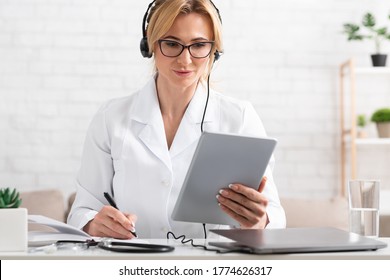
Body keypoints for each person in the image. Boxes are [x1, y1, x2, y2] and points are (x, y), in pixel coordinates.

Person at [67, 0, 286, 239]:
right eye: (171, 44)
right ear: (149, 45)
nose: (185, 60)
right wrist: (92, 223)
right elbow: (82, 210)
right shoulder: (111, 118)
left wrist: (259, 220)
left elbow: (275, 215)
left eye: (199, 45)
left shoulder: (240, 118)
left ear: (215, 50)